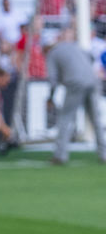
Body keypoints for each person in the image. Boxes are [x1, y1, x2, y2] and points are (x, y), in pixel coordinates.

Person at [45, 27, 106, 164]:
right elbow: (90, 57)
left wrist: (50, 97)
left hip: (75, 83)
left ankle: (60, 155)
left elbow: (53, 80)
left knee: (66, 117)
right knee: (96, 119)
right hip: (93, 80)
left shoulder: (52, 54)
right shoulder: (73, 46)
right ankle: (104, 154)